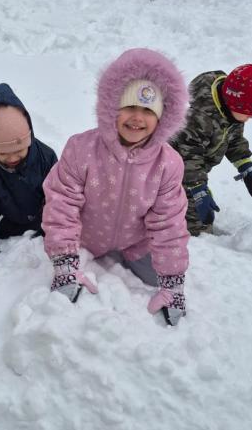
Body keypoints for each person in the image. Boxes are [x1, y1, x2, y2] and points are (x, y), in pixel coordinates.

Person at [42, 48, 190, 326]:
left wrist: (173, 283)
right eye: (129, 107)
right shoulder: (81, 149)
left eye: (148, 110)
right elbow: (62, 206)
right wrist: (64, 263)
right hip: (85, 238)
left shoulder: (168, 163)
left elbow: (169, 223)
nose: (137, 118)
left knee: (155, 278)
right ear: (111, 107)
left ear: (162, 118)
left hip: (136, 242)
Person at [171, 64, 252, 236]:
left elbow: (234, 140)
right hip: (172, 168)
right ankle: (193, 240)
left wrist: (247, 168)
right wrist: (198, 189)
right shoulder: (199, 117)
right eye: (248, 112)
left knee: (198, 207)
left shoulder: (233, 114)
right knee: (195, 215)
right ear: (233, 102)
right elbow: (188, 156)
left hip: (195, 170)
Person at [0, 83, 57, 254]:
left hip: (40, 225)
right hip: (4, 228)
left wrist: (52, 226)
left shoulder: (46, 157)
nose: (12, 158)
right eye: (2, 153)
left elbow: (56, 196)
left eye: (19, 150)